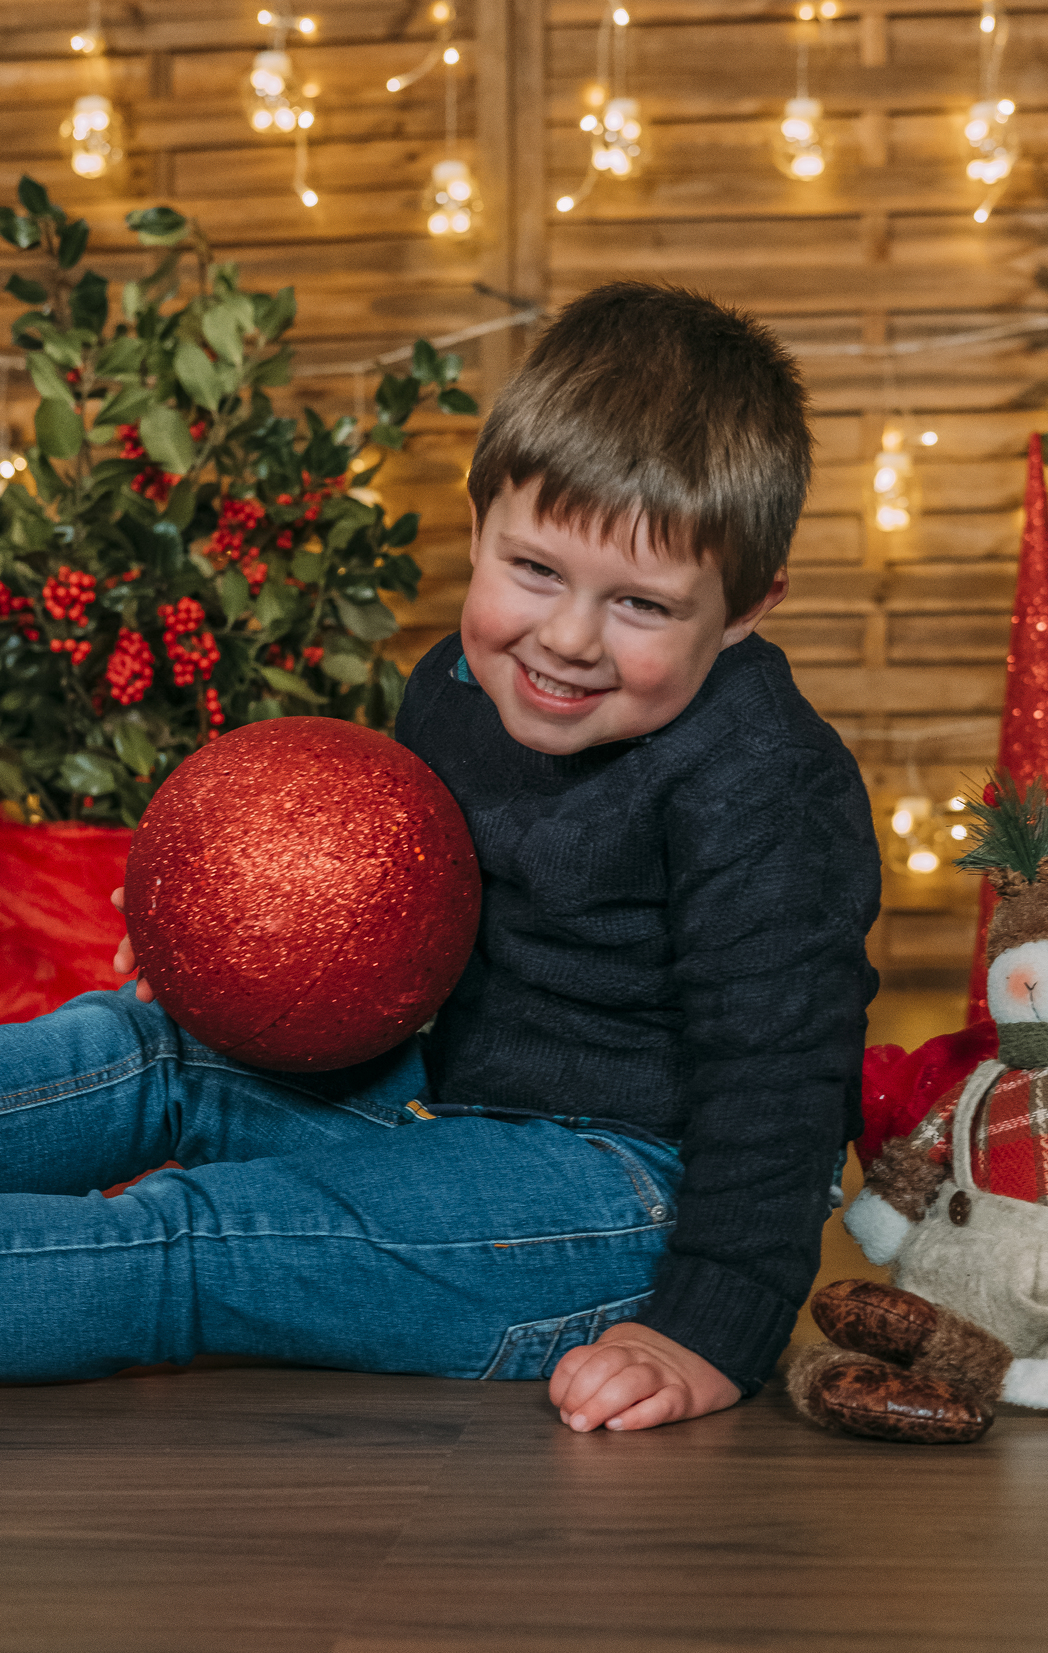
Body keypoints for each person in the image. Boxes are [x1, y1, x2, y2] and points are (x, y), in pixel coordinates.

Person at [2, 282, 880, 1431]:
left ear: (748, 610)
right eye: (533, 571)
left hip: (622, 1200)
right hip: (436, 1101)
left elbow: (784, 1075)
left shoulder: (767, 780)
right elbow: (399, 915)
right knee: (147, 1051)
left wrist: (711, 1325)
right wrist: (228, 944)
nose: (567, 639)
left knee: (205, 1230)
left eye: (642, 606)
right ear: (478, 527)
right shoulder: (455, 691)